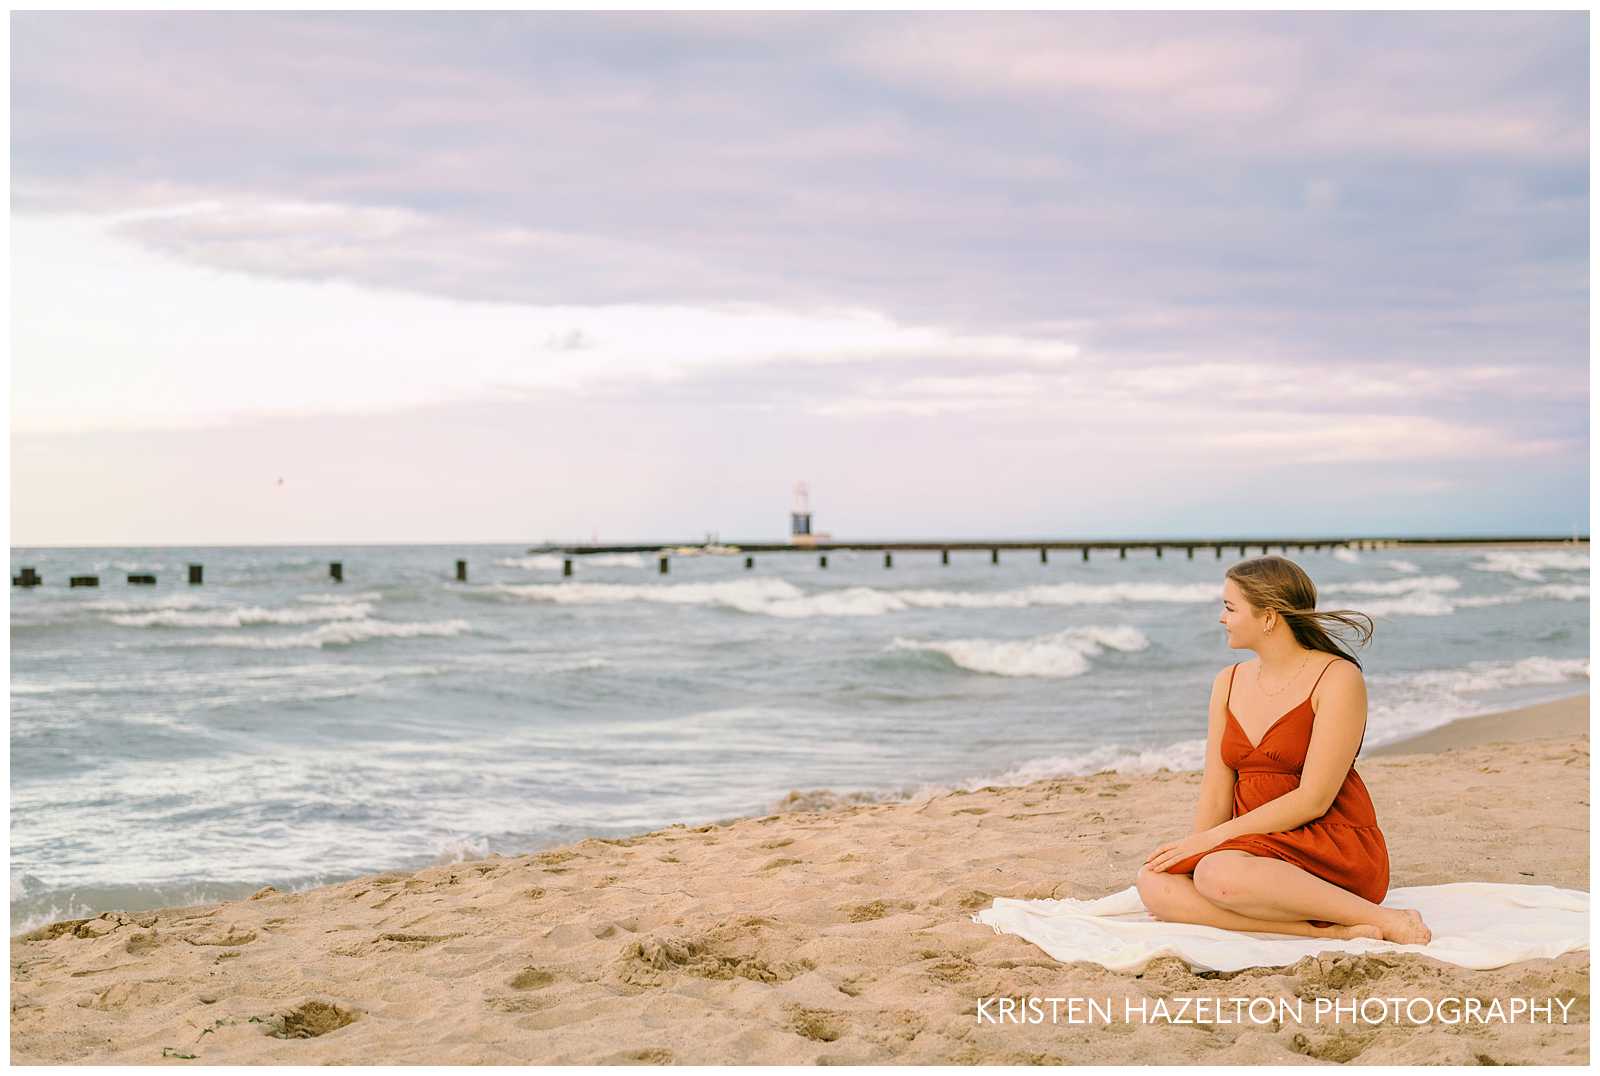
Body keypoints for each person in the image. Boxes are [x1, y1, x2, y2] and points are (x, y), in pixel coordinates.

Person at [1135, 556, 1431, 944]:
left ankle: (1384, 918)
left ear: (1269, 617)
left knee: (1217, 875)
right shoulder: (1227, 681)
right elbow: (1216, 784)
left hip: (1328, 842)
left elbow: (1313, 799)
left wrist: (1212, 848)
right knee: (1154, 881)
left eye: (1229, 607)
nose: (1221, 618)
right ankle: (1327, 932)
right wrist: (1195, 850)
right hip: (1253, 847)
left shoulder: (1338, 678)